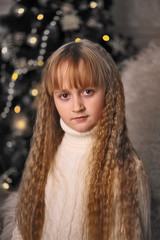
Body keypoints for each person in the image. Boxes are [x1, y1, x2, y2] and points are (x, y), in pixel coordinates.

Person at [0, 39, 151, 240]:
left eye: (87, 91)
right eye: (64, 95)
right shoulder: (50, 150)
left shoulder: (126, 165)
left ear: (109, 92)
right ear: (51, 100)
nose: (77, 106)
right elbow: (29, 224)